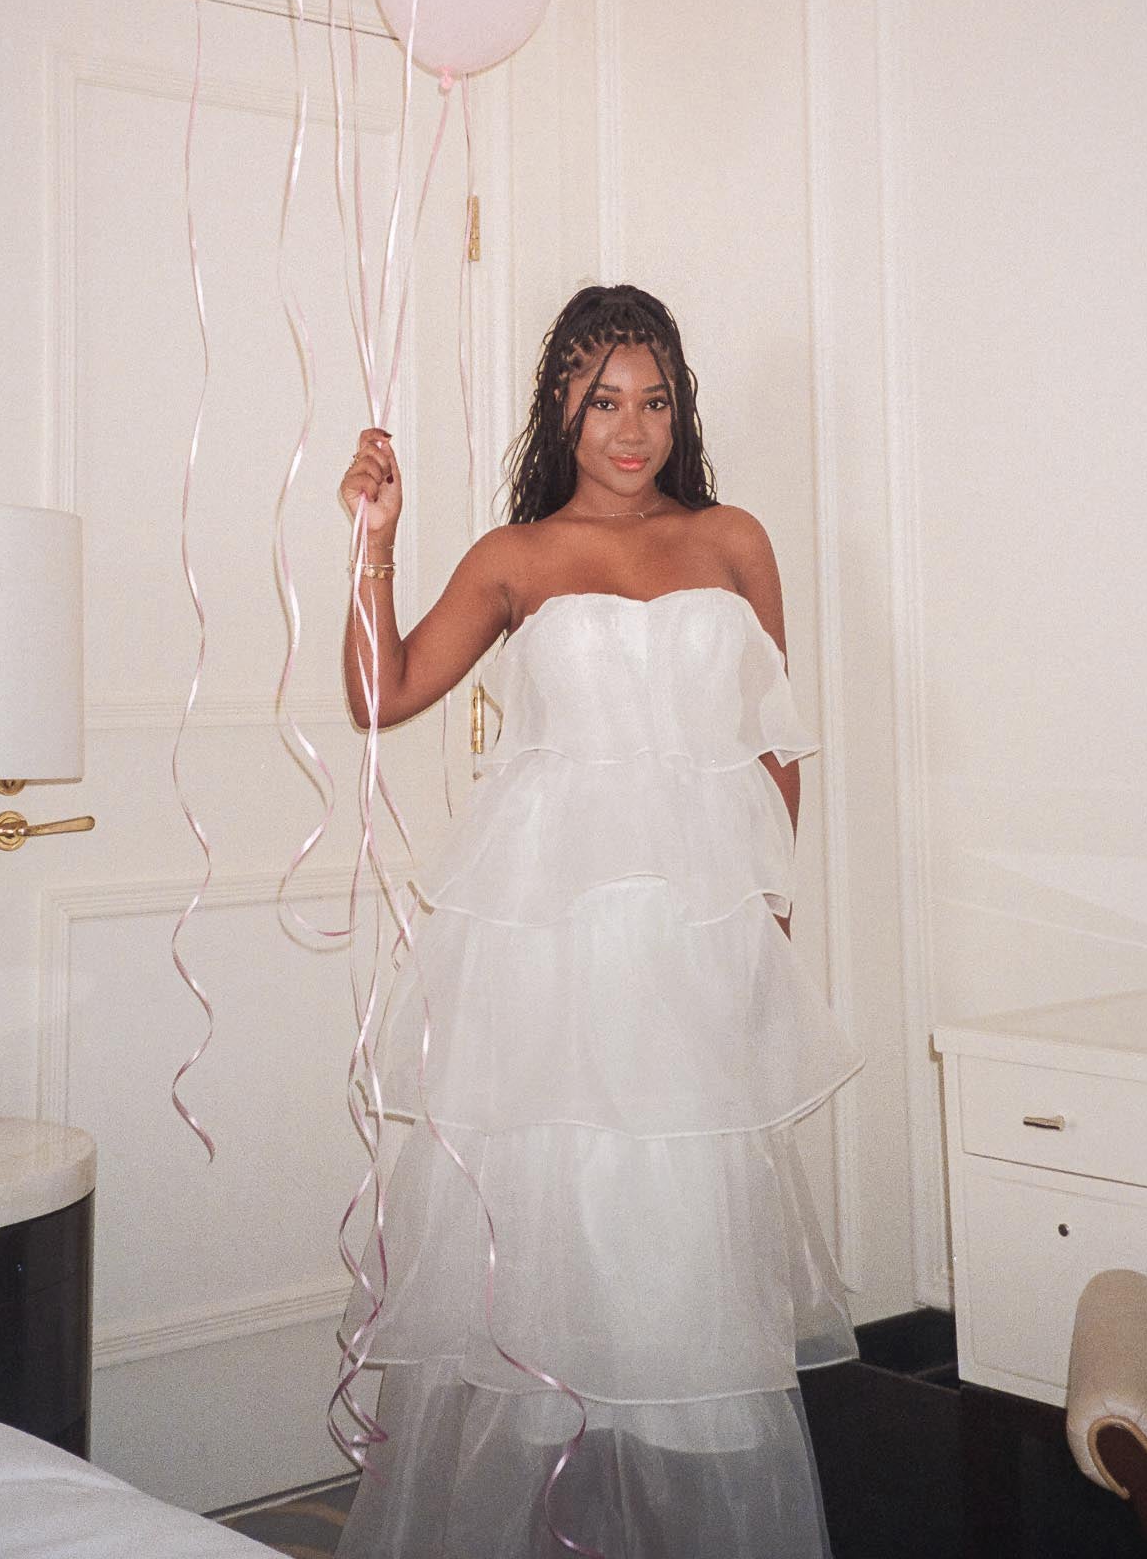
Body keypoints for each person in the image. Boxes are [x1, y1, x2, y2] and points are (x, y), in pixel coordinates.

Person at [334, 283, 860, 1559]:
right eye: (604, 400)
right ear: (560, 409)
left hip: (694, 940)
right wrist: (374, 540)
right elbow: (380, 690)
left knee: (683, 1231)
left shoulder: (733, 539)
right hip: (554, 948)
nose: (633, 429)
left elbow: (770, 744)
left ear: (682, 410)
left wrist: (767, 918)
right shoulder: (515, 556)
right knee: (560, 1220)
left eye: (655, 400)